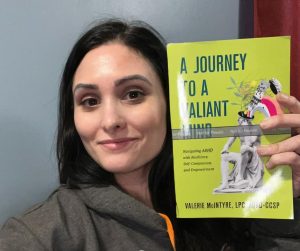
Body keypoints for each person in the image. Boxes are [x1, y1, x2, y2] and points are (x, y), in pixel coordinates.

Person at [0, 19, 300, 251]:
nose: (110, 121)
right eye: (89, 101)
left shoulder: (233, 211)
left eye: (133, 94)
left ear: (171, 104)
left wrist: (289, 197)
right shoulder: (41, 235)